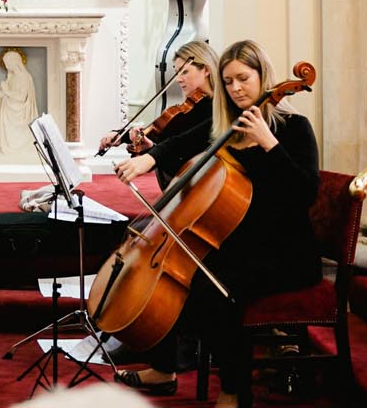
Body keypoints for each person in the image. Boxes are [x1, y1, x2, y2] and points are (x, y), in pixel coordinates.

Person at [112, 40, 320, 408]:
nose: (236, 88)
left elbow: (304, 194)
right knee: (180, 274)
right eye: (228, 81)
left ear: (263, 77)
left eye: (244, 78)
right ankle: (164, 368)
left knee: (217, 288)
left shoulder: (293, 128)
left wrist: (269, 143)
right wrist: (147, 160)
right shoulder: (227, 126)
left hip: (286, 253)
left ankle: (234, 391)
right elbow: (180, 141)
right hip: (238, 243)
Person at [107, 41, 219, 190]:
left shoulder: (215, 110)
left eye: (184, 72)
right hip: (180, 189)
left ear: (206, 70)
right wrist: (125, 137)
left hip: (201, 190)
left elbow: (179, 146)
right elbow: (168, 145)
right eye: (177, 73)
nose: (178, 79)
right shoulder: (190, 108)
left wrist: (153, 153)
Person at [0, 48, 38, 154]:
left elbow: (21, 97)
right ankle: (6, 145)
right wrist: (1, 93)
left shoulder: (24, 77)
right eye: (5, 63)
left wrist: (6, 91)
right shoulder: (12, 77)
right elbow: (8, 92)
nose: (6, 66)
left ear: (14, 62)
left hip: (19, 112)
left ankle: (16, 146)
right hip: (8, 110)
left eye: (7, 63)